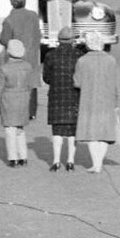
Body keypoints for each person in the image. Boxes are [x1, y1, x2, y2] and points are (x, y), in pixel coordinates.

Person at [72, 31, 119, 173]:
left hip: (89, 99)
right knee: (104, 133)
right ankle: (99, 163)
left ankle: (96, 163)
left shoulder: (82, 61)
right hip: (107, 99)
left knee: (91, 133)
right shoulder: (111, 60)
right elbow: (115, 82)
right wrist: (117, 103)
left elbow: (77, 82)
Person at [42, 26, 83, 171]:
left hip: (56, 96)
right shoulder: (79, 55)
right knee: (72, 131)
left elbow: (46, 78)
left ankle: (56, 161)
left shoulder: (50, 55)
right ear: (73, 41)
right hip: (74, 96)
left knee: (57, 130)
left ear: (59, 40)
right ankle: (71, 161)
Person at [0, 0, 43, 118]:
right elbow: (38, 34)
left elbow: (4, 40)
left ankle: (19, 111)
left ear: (11, 2)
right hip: (33, 54)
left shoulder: (9, 20)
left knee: (16, 85)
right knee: (32, 82)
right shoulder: (33, 15)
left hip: (16, 56)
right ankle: (32, 112)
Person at [0, 39, 34, 167]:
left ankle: (13, 158)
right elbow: (30, 85)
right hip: (23, 97)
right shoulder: (28, 67)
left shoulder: (4, 68)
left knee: (10, 129)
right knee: (20, 129)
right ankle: (23, 156)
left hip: (9, 98)